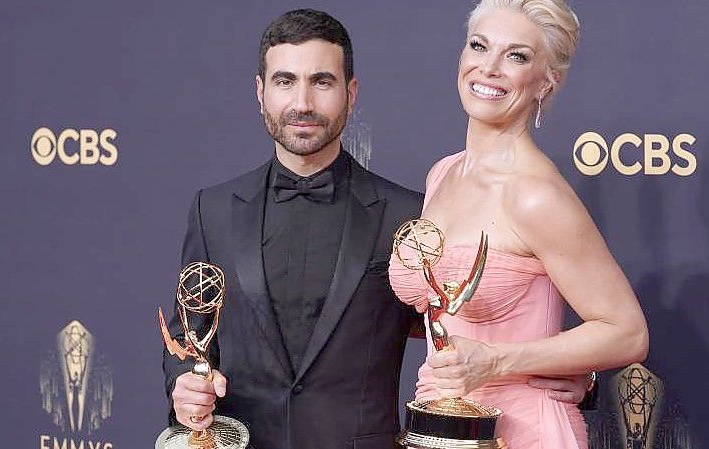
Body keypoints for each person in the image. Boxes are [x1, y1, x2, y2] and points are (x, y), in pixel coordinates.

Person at [163, 8, 592, 449]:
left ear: (351, 92)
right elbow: (188, 334)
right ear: (260, 91)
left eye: (322, 82)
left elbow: (460, 323)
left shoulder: (409, 214)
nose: (302, 103)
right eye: (285, 81)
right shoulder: (212, 210)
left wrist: (567, 375)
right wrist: (183, 388)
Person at [389, 1, 649, 448]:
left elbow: (627, 332)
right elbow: (444, 312)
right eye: (479, 46)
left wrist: (501, 360)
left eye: (516, 56)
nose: (488, 68)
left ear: (546, 83)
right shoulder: (444, 173)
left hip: (525, 429)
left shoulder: (535, 195)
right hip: (443, 428)